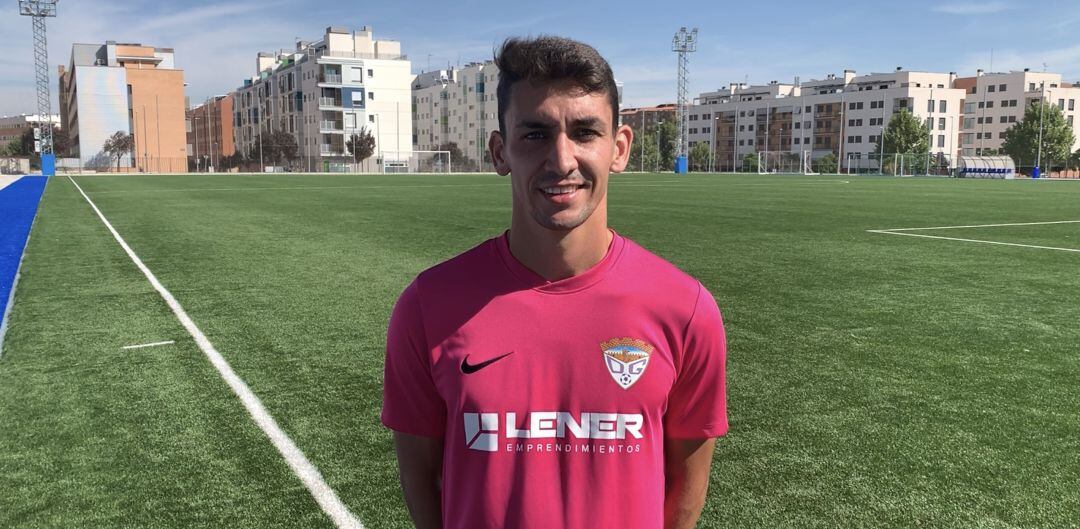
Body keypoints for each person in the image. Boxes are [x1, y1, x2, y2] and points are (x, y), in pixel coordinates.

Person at [382, 35, 727, 529]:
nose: (562, 160)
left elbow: (686, 491)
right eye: (536, 134)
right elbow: (420, 477)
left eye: (585, 132)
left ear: (619, 148)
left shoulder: (685, 309)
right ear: (500, 152)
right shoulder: (428, 306)